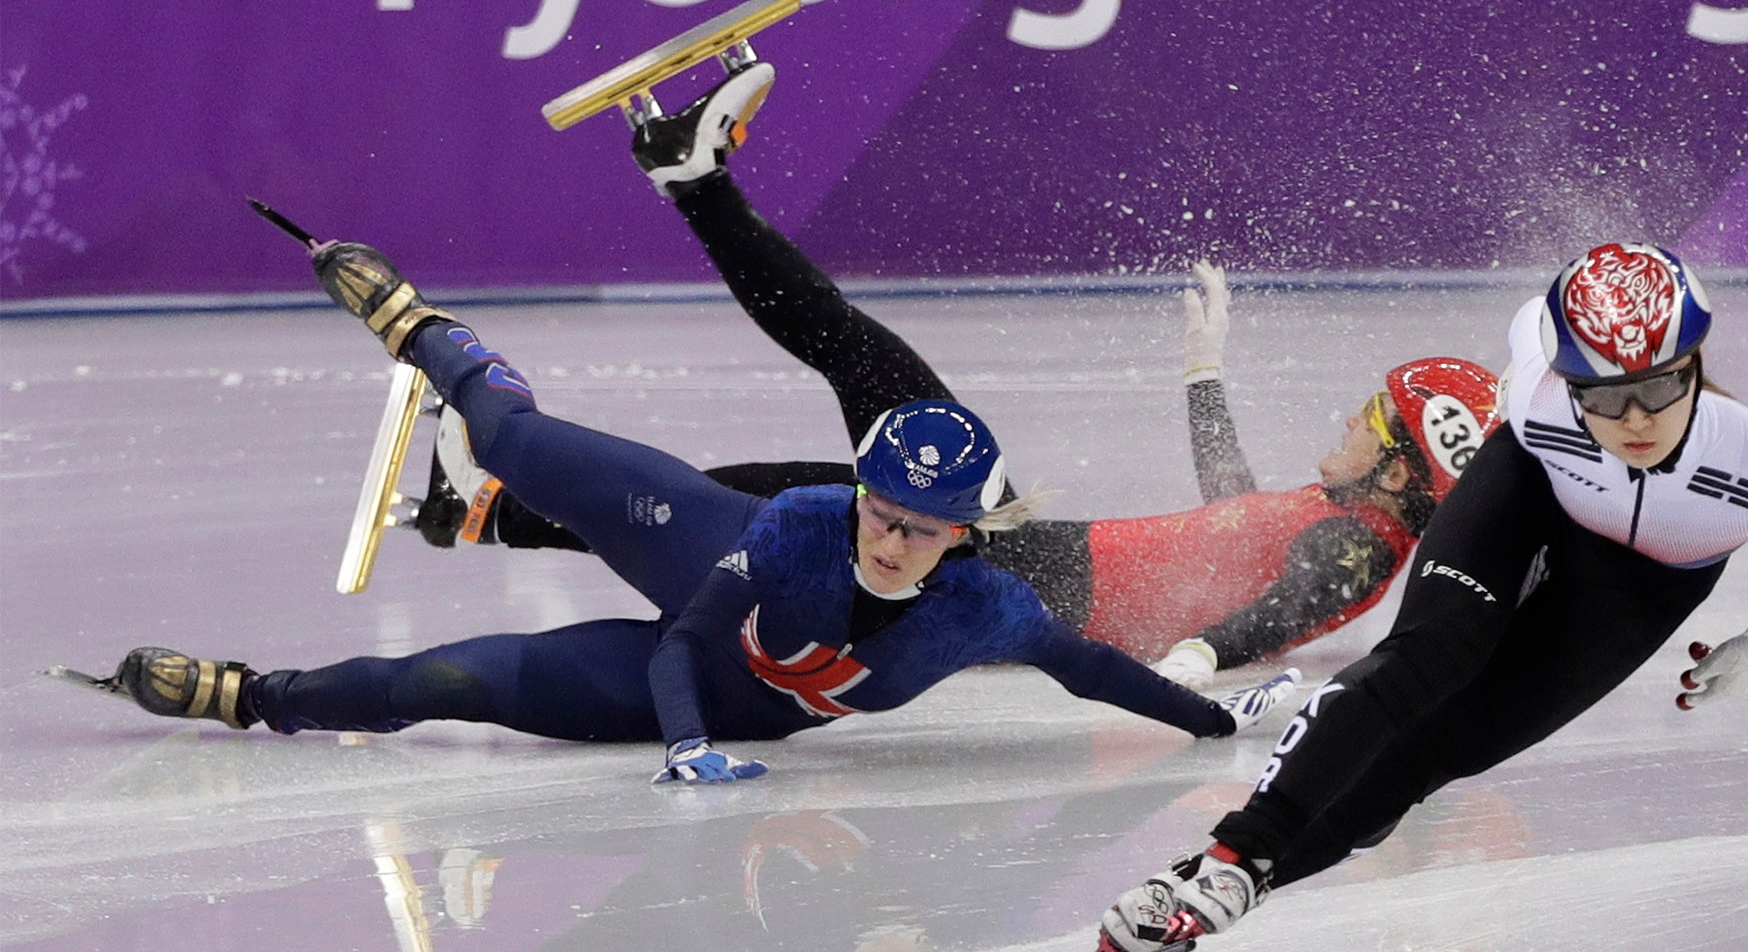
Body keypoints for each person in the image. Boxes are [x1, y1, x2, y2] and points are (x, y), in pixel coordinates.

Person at [412, 59, 1504, 690]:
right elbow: (1239, 526)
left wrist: (1195, 667)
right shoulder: (1347, 518)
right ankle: (497, 516)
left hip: (1025, 576)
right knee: (775, 475)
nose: (1347, 421)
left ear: (1406, 470)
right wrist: (1204, 373)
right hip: (1027, 560)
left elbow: (1279, 613)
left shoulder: (1364, 546)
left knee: (851, 369)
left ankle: (695, 180)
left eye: (1371, 417)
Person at [78, 234, 1301, 782]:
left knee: (442, 686)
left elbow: (1094, 672)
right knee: (511, 435)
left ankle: (251, 698)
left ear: (965, 542)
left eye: (916, 531)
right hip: (705, 575)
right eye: (880, 512)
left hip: (738, 707)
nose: (886, 539)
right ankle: (419, 329)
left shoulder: (992, 612)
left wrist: (1213, 722)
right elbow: (680, 641)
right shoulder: (806, 524)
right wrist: (684, 747)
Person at [1090, 241, 1748, 952]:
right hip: (1529, 488)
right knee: (1432, 654)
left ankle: (1227, 889)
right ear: (1567, 381)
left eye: (1658, 388)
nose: (1635, 420)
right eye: (1604, 398)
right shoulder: (1543, 400)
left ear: (1695, 364)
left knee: (1441, 752)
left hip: (1645, 579)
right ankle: (1238, 849)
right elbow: (1531, 324)